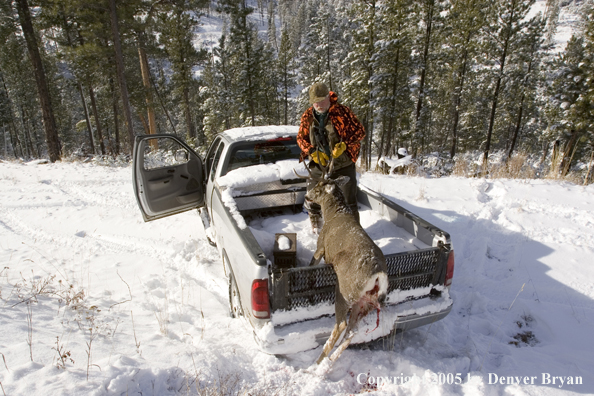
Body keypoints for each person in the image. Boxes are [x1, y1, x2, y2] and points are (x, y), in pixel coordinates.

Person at [297, 82, 366, 232]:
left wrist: (345, 146)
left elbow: (360, 132)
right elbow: (301, 139)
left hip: (343, 163)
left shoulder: (343, 113)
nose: (319, 104)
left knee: (349, 201)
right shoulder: (308, 116)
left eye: (322, 100)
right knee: (313, 198)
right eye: (316, 101)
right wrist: (312, 151)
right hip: (319, 165)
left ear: (329, 98)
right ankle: (318, 229)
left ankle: (354, 232)